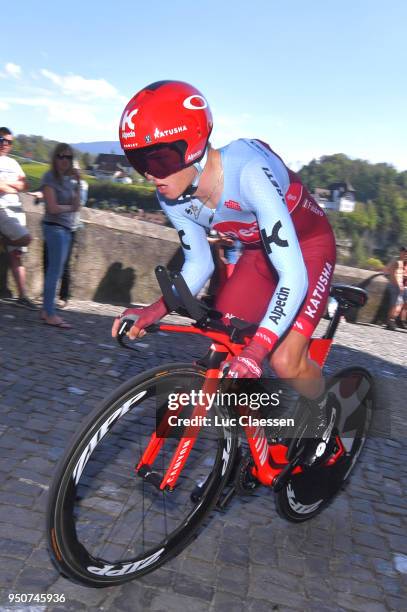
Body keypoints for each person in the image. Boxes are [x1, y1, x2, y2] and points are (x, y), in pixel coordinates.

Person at [112, 80, 337, 465]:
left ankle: (329, 414)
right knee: (223, 338)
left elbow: (293, 277)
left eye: (158, 160)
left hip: (307, 250)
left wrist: (259, 349)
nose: (149, 174)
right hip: (257, 253)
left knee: (282, 360)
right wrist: (152, 311)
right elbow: (198, 263)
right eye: (138, 161)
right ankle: (256, 438)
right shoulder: (173, 196)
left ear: (194, 146)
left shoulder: (248, 171)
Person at [40, 143, 80, 328]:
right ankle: (50, 314)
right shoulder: (49, 177)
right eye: (61, 156)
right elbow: (52, 208)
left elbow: (77, 205)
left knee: (54, 271)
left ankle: (46, 310)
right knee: (54, 273)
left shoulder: (69, 180)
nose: (64, 160)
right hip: (54, 228)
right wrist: (69, 208)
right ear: (54, 158)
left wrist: (79, 183)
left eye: (68, 157)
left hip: (66, 229)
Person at [0, 127, 37, 309]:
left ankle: (22, 296)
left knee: (16, 254)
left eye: (9, 141)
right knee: (25, 239)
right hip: (2, 208)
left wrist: (9, 185)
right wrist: (13, 185)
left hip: (17, 209)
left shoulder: (14, 163)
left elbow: (25, 184)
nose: (5, 144)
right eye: (2, 140)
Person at [42, 161, 88, 308]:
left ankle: (64, 296)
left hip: (70, 227)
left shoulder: (82, 185)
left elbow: (78, 204)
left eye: (75, 169)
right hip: (53, 224)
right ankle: (48, 295)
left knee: (65, 264)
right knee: (47, 261)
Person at [383, 246, 406, 331]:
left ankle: (391, 321)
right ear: (401, 252)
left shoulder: (401, 261)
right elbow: (393, 274)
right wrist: (399, 285)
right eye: (404, 252)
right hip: (394, 286)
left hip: (398, 286)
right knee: (394, 305)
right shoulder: (396, 261)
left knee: (398, 305)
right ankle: (389, 322)